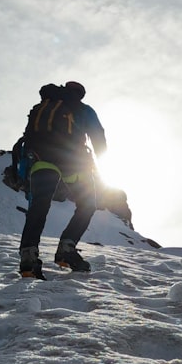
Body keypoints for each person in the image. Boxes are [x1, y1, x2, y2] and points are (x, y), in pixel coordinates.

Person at [18, 81, 107, 279]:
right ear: (80, 95)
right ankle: (67, 248)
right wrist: (101, 160)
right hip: (72, 161)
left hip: (41, 157)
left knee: (39, 205)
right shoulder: (83, 109)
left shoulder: (43, 107)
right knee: (87, 205)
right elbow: (98, 135)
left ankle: (28, 257)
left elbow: (29, 135)